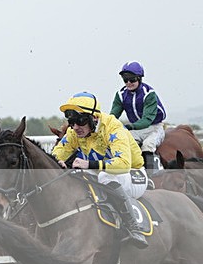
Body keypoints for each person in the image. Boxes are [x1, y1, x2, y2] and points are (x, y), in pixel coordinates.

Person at [53, 91, 148, 249]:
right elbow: (56, 154)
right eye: (71, 122)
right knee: (75, 175)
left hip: (133, 174)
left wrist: (89, 164)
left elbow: (123, 163)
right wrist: (58, 162)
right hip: (105, 173)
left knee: (104, 176)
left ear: (94, 118)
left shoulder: (113, 128)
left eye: (80, 121)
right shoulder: (74, 132)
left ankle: (134, 228)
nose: (75, 127)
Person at [109, 61, 167, 171]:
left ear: (139, 78)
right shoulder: (120, 95)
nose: (128, 83)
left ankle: (151, 176)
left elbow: (147, 120)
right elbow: (113, 115)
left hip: (154, 127)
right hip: (136, 130)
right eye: (125, 80)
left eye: (132, 79)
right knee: (125, 144)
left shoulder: (149, 94)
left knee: (147, 145)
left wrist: (129, 126)